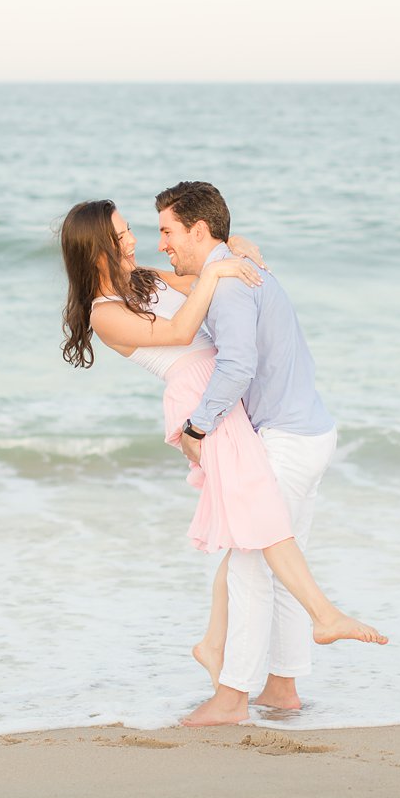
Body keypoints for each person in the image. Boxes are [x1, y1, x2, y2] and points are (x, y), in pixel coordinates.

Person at [58, 200, 386, 720]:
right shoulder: (104, 313)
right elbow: (179, 333)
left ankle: (233, 654)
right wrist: (219, 272)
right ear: (95, 245)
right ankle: (306, 627)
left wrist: (229, 252)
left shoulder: (141, 278)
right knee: (258, 527)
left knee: (251, 530)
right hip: (201, 401)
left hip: (220, 399)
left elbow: (198, 271)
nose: (134, 240)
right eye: (121, 235)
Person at [155, 180, 382, 728]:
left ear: (199, 230)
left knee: (251, 565)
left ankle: (231, 696)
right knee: (279, 562)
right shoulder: (233, 267)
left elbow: (237, 366)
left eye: (167, 231)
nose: (162, 242)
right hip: (310, 433)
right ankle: (282, 687)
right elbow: (183, 279)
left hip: (286, 440)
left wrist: (197, 426)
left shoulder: (232, 284)